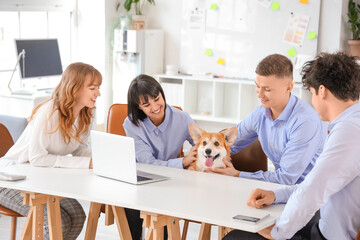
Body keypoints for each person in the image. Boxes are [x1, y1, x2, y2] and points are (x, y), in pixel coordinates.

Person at [224, 51, 360, 240]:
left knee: (237, 237)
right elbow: (314, 185)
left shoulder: (348, 132)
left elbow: (312, 192)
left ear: (321, 91)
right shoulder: (351, 123)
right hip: (322, 226)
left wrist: (278, 232)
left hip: (330, 235)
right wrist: (276, 195)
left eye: (311, 93)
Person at [0, 62, 102, 240]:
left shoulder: (87, 113)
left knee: (77, 216)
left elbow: (79, 149)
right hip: (9, 180)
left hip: (38, 180)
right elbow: (38, 158)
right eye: (92, 88)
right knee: (59, 221)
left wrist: (101, 160)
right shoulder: (50, 112)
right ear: (75, 88)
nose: (98, 93)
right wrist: (87, 163)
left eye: (98, 87)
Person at [210, 54, 327, 185]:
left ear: (289, 87)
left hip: (306, 193)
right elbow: (228, 144)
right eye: (257, 86)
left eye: (267, 89)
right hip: (279, 188)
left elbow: (286, 178)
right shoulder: (261, 113)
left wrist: (237, 174)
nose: (259, 94)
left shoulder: (305, 122)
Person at [122, 74, 197, 239]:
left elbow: (201, 145)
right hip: (139, 179)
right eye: (146, 104)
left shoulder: (182, 118)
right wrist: (183, 162)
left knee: (164, 205)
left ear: (162, 94)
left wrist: (195, 161)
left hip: (169, 181)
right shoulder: (131, 124)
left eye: (157, 98)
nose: (155, 106)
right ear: (139, 107)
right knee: (131, 200)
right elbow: (148, 164)